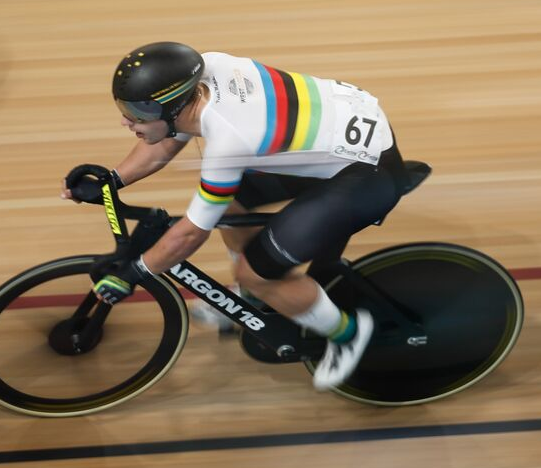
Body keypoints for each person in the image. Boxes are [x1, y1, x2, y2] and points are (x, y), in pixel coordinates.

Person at [63, 42, 408, 390]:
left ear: (172, 107)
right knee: (227, 203)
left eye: (137, 113)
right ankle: (253, 297)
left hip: (365, 177)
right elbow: (170, 133)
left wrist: (137, 271)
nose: (127, 121)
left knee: (255, 271)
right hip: (340, 132)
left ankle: (347, 333)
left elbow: (191, 234)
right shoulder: (203, 71)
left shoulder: (229, 141)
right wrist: (115, 178)